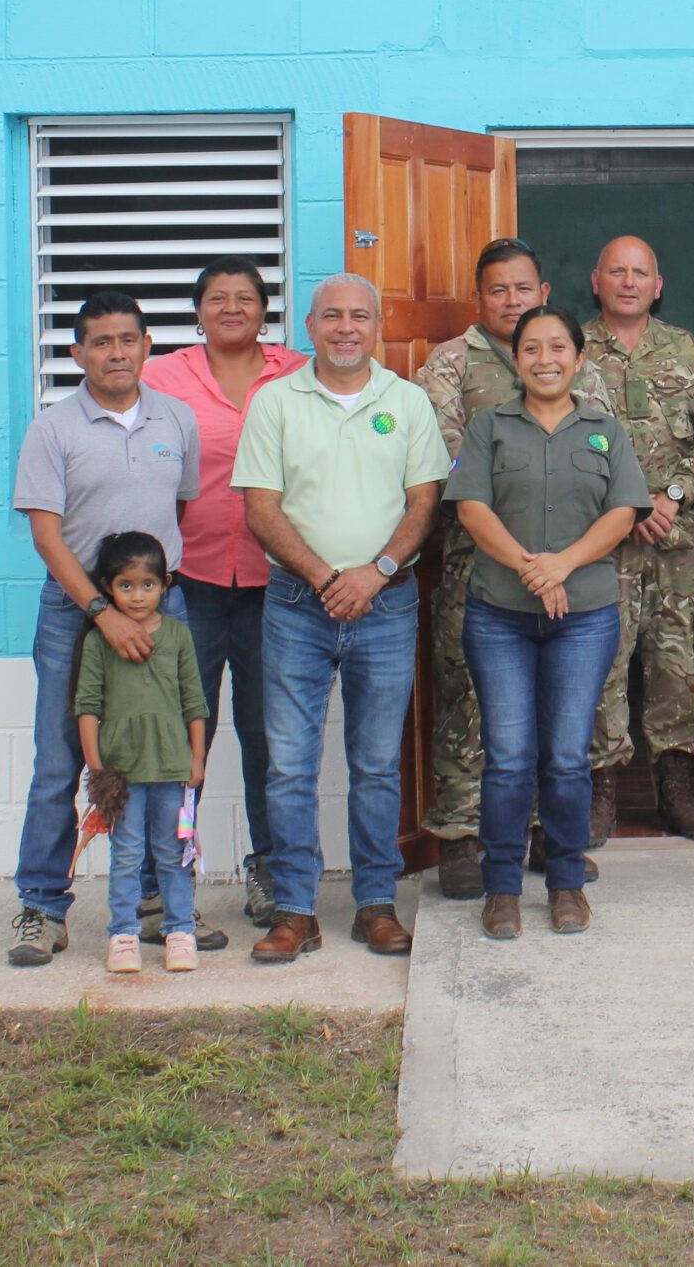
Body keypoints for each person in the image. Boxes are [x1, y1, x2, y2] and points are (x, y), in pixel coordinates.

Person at [234, 274, 447, 962]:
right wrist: (329, 578)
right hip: (297, 605)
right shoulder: (275, 402)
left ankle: (375, 905)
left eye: (359, 314)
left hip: (386, 603)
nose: (346, 326)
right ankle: (296, 910)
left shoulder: (408, 402)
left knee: (378, 766)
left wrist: (375, 571)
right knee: (289, 766)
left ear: (377, 324)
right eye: (332, 315)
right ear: (310, 324)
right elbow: (262, 509)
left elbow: (424, 500)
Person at [5, 290, 200, 967]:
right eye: (101, 341)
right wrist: (101, 610)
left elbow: (177, 511)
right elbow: (46, 536)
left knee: (161, 755)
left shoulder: (177, 418)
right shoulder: (53, 429)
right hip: (75, 612)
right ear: (77, 352)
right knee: (61, 758)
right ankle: (41, 905)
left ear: (147, 345)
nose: (116, 352)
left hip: (159, 610)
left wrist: (141, 601)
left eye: (128, 339)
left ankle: (158, 906)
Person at [448, 306, 654, 939]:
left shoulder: (605, 430)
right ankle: (502, 888)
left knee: (566, 758)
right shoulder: (490, 427)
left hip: (584, 617)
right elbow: (472, 509)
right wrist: (530, 568)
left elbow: (623, 513)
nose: (545, 358)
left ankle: (566, 884)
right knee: (508, 758)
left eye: (557, 347)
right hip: (500, 616)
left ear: (578, 356)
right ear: (516, 361)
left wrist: (561, 565)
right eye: (531, 348)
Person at [416, 239, 609, 899]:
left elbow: (608, 450)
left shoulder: (577, 358)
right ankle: (463, 837)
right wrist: (515, 533)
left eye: (521, 288)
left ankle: (545, 836)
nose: (511, 300)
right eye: (497, 289)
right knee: (473, 705)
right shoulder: (449, 363)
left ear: (543, 291)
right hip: (482, 565)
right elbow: (443, 455)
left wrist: (559, 555)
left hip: (572, 569)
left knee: (559, 715)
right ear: (479, 298)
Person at [141, 256, 306, 929]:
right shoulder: (162, 376)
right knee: (183, 735)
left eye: (246, 296)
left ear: (266, 309)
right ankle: (163, 875)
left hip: (279, 584)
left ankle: (268, 868)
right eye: (217, 297)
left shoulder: (298, 373)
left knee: (272, 736)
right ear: (198, 309)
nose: (232, 307)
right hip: (190, 582)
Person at [584, 236, 694, 842]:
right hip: (600, 544)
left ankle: (676, 793)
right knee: (600, 668)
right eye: (617, 271)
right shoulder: (572, 350)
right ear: (596, 281)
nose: (628, 281)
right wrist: (623, 506)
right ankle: (600, 797)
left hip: (676, 543)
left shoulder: (688, 352)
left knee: (677, 666)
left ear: (658, 285)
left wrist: (669, 498)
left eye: (640, 272)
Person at [75, 532, 210, 974]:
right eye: (125, 585)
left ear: (166, 584)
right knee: (127, 855)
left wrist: (197, 760)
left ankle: (180, 932)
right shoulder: (100, 641)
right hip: (123, 775)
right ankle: (124, 935)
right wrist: (99, 773)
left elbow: (195, 702)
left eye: (148, 585)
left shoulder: (178, 637)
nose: (137, 595)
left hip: (173, 771)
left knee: (175, 853)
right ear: (107, 587)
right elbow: (88, 707)